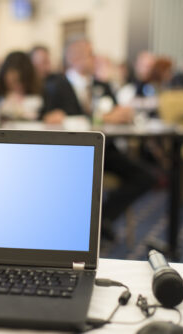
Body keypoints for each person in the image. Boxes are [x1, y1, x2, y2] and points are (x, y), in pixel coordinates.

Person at [43, 38, 155, 240]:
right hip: (70, 155)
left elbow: (115, 113)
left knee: (146, 177)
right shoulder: (55, 86)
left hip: (105, 150)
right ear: (74, 58)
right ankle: (78, 229)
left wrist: (122, 115)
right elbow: (52, 119)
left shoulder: (102, 85)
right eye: (90, 54)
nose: (95, 59)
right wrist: (100, 118)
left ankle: (101, 220)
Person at [0, 51, 43, 122]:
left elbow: (44, 118)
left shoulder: (38, 93)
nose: (17, 85)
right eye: (13, 80)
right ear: (4, 75)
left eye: (21, 81)